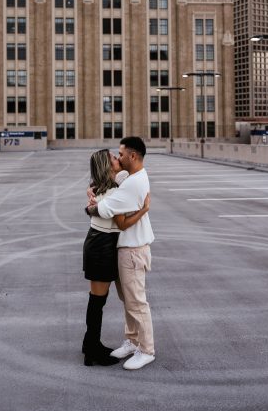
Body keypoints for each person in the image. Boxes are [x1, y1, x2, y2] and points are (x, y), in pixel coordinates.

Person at [86, 136, 155, 370]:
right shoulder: (127, 180)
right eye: (115, 157)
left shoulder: (130, 183)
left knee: (135, 302)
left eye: (120, 154)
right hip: (114, 247)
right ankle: (130, 342)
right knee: (123, 301)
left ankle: (146, 349)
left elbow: (108, 213)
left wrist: (90, 205)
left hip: (130, 248)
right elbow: (110, 187)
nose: (118, 157)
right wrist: (94, 190)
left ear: (132, 156)